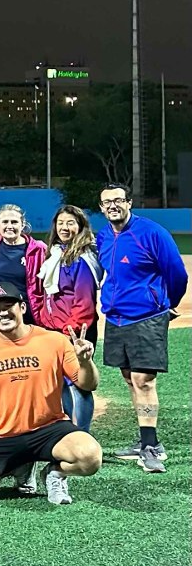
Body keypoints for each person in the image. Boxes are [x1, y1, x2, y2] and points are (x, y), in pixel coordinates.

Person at [0, 282, 102, 504]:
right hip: (0, 435)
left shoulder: (54, 340)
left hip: (49, 429)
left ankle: (54, 473)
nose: (2, 313)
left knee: (90, 457)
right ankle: (18, 465)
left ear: (22, 307)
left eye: (8, 306)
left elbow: (87, 384)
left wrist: (85, 362)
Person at [96, 183, 187, 471]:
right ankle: (145, 437)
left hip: (146, 316)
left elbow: (177, 273)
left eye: (118, 200)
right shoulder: (103, 236)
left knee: (143, 380)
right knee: (129, 378)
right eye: (107, 202)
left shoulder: (151, 232)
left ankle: (151, 446)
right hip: (116, 318)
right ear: (101, 208)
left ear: (129, 203)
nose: (113, 206)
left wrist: (167, 304)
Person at [37, 206, 103, 432]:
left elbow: (84, 303)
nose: (64, 227)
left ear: (81, 227)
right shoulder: (56, 253)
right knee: (62, 384)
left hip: (74, 333)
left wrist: (69, 333)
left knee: (79, 385)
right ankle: (69, 432)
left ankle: (82, 434)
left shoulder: (81, 259)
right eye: (61, 223)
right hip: (54, 331)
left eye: (71, 223)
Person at [0, 204, 47, 327]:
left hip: (29, 315)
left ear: (22, 225)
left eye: (14, 222)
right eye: (5, 222)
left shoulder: (38, 249)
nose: (9, 226)